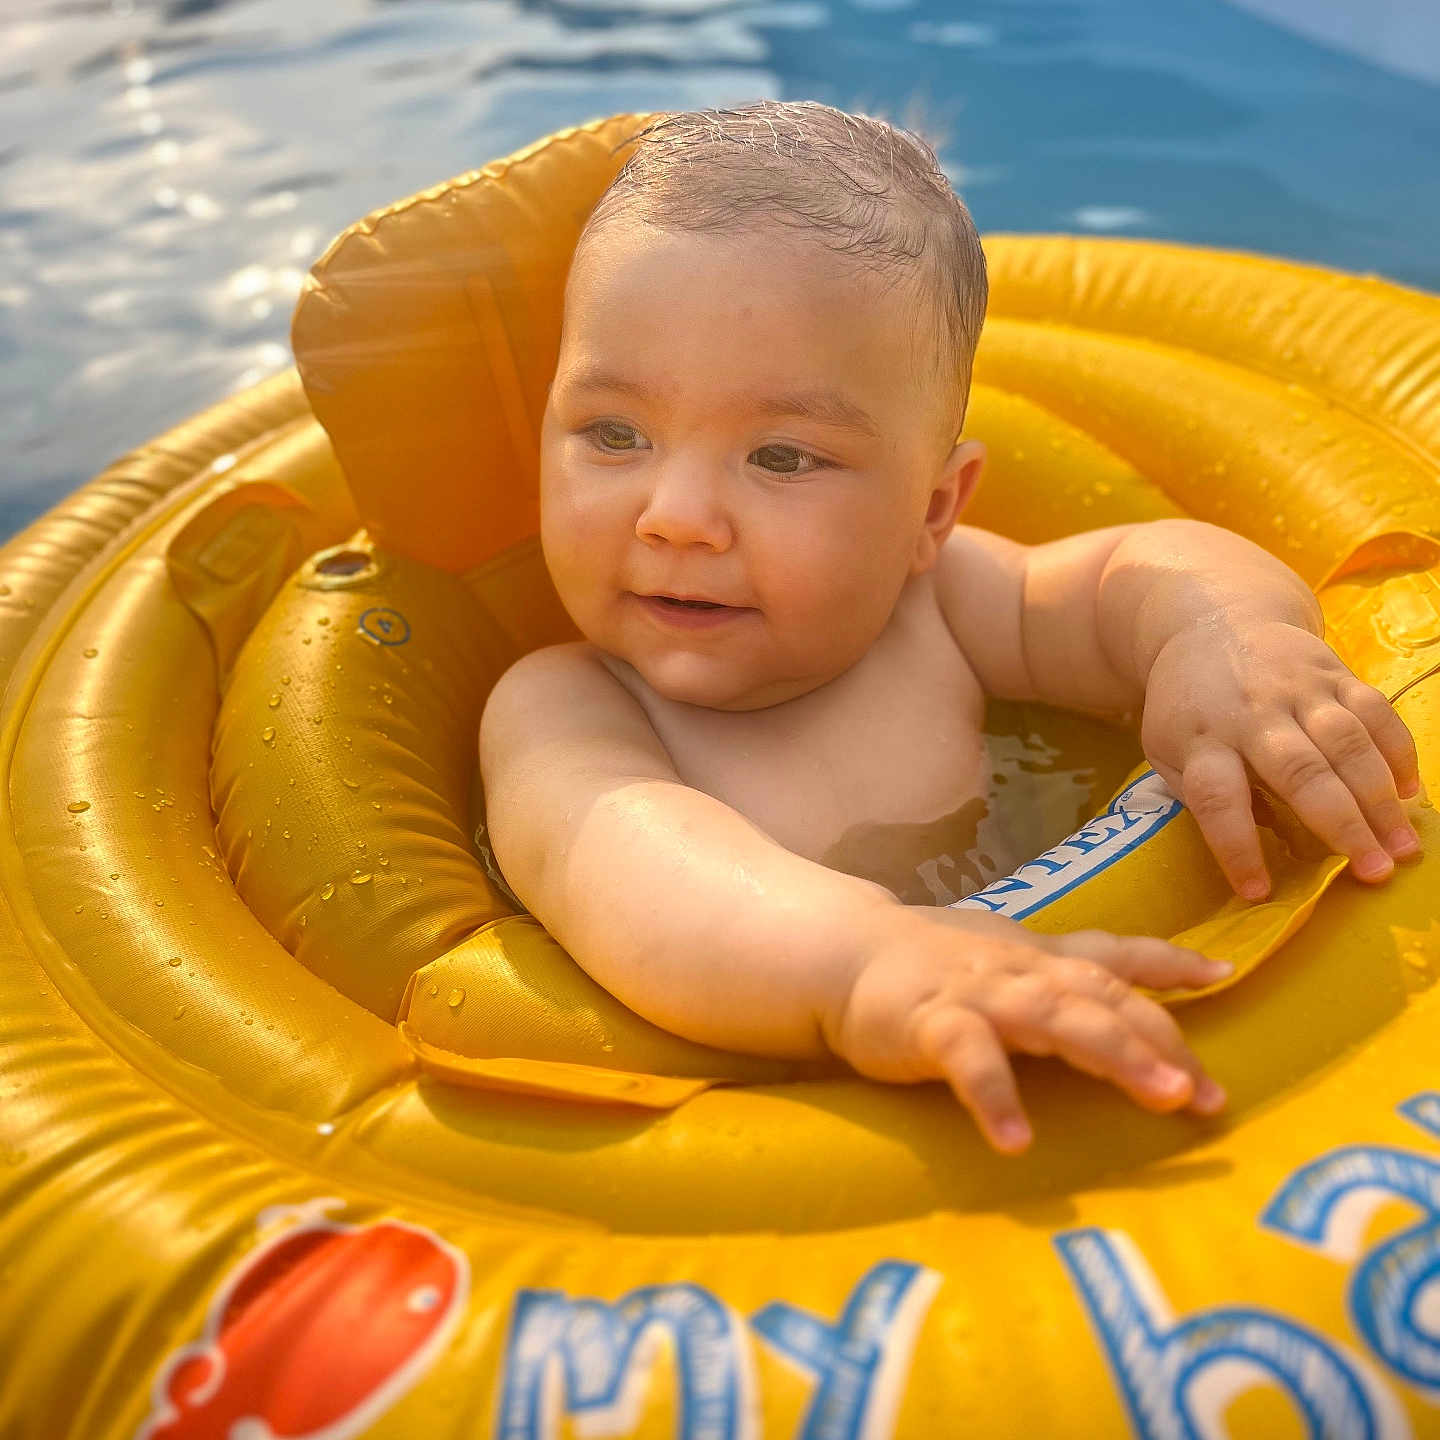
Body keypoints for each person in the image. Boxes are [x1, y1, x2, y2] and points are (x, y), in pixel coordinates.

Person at [478, 100, 1422, 1154]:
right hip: (811, 1118)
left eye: (782, 457)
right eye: (614, 433)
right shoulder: (569, 707)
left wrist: (1229, 643)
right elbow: (634, 876)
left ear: (932, 512)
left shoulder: (940, 606)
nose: (677, 518)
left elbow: (1142, 568)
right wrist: (867, 963)